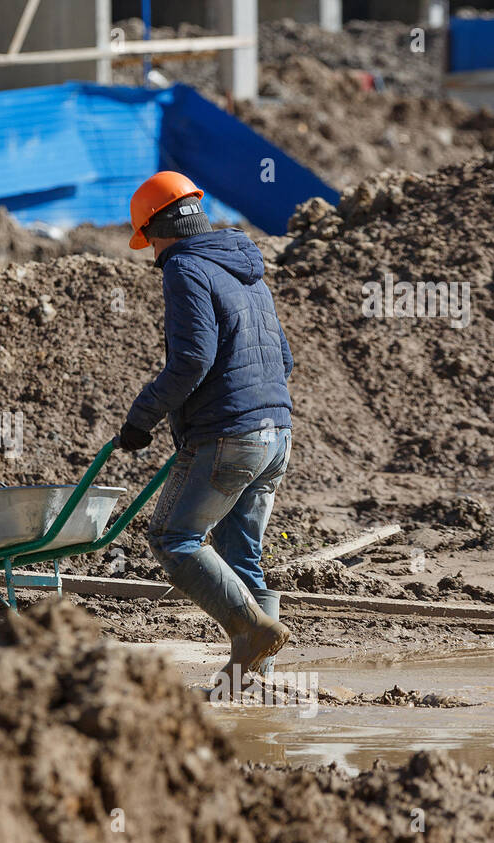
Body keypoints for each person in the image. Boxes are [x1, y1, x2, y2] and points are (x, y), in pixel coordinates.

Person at [117, 171, 295, 693]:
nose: (150, 251)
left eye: (147, 239)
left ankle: (251, 630)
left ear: (157, 229)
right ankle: (251, 683)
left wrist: (141, 419)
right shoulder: (246, 269)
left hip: (229, 438)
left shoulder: (185, 268)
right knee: (242, 556)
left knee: (174, 537)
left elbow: (192, 359)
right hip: (277, 434)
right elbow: (285, 358)